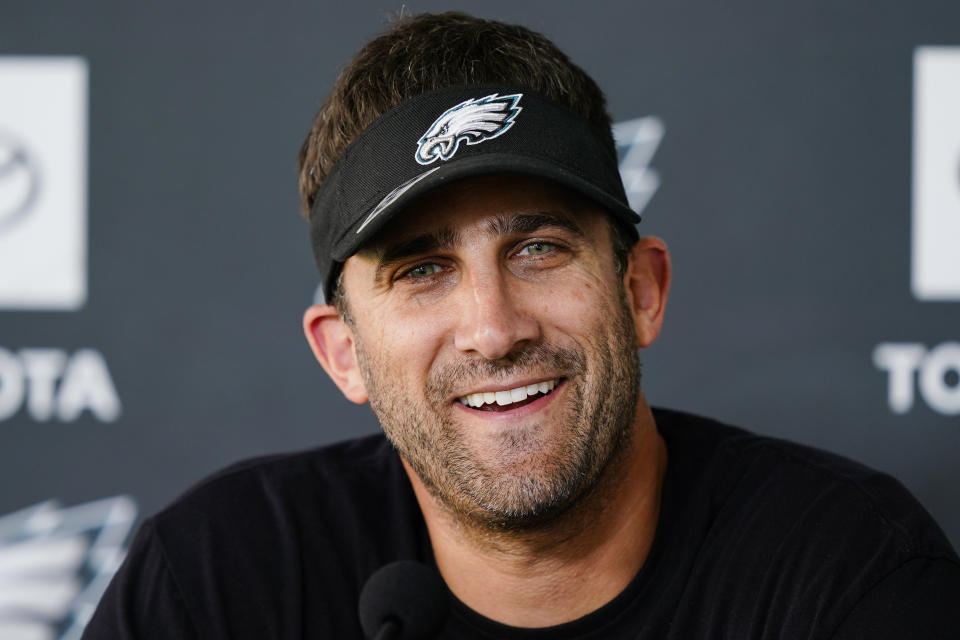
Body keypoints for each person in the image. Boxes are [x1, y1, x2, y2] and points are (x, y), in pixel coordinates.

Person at [83, 11, 960, 639]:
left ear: (641, 291)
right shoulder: (219, 580)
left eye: (538, 249)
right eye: (422, 271)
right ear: (343, 353)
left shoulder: (845, 576)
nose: (493, 329)